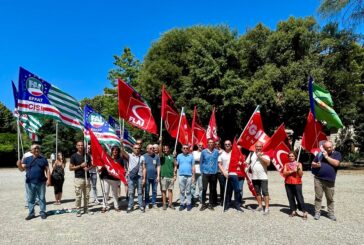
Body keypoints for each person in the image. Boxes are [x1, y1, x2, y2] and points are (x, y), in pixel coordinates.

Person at [311, 141, 342, 221]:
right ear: (324, 148)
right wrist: (315, 165)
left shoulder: (337, 154)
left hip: (330, 180)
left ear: (332, 147)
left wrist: (327, 157)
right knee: (318, 197)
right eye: (326, 148)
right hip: (318, 179)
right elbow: (313, 163)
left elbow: (336, 164)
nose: (328, 149)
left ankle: (331, 213)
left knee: (330, 198)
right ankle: (317, 212)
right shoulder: (320, 154)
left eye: (330, 147)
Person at [20, 144, 51, 220]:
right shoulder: (27, 159)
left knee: (42, 198)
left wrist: (49, 180)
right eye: (35, 148)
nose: (36, 150)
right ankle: (31, 213)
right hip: (30, 182)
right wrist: (18, 165)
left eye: (38, 148)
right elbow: (22, 169)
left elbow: (47, 170)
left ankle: (43, 212)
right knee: (31, 199)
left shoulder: (43, 159)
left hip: (41, 182)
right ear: (31, 150)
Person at [218, 140, 244, 212]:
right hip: (225, 174)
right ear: (224, 145)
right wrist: (224, 172)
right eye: (226, 144)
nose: (227, 145)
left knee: (237, 190)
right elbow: (219, 164)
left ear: (231, 145)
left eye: (228, 144)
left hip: (234, 173)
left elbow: (240, 160)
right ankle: (226, 204)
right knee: (227, 190)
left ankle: (237, 205)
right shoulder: (221, 154)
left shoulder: (235, 153)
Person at [246, 142, 271, 215]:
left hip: (263, 177)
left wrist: (260, 157)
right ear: (255, 147)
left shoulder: (265, 153)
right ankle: (260, 206)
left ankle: (267, 208)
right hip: (254, 177)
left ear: (262, 147)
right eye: (257, 146)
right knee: (257, 192)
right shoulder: (251, 154)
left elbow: (268, 163)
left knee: (265, 192)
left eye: (260, 146)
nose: (258, 148)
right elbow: (247, 163)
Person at [69, 141, 92, 217]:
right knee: (78, 196)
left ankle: (86, 209)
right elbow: (70, 168)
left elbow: (91, 165)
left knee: (87, 195)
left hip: (87, 178)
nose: (80, 147)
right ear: (76, 146)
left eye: (82, 145)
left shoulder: (87, 155)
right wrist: (80, 166)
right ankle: (78, 210)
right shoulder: (74, 156)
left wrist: (88, 169)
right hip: (78, 178)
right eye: (79, 145)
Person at [121, 144, 146, 213]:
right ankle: (130, 206)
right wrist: (121, 144)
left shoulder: (142, 157)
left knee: (140, 192)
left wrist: (144, 178)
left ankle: (141, 205)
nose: (137, 149)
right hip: (131, 177)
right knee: (131, 192)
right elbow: (122, 152)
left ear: (140, 149)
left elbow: (144, 168)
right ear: (133, 149)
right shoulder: (130, 156)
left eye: (138, 148)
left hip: (139, 176)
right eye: (135, 148)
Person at [283, 151, 307, 220]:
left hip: (297, 183)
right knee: (290, 197)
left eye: (292, 156)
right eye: (289, 156)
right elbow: (284, 173)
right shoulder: (286, 164)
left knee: (299, 198)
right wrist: (292, 171)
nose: (291, 157)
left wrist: (298, 169)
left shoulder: (299, 164)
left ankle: (304, 212)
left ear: (295, 156)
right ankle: (293, 210)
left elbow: (301, 174)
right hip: (288, 183)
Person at [99, 145, 122, 212]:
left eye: (116, 150)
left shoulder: (120, 159)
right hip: (106, 177)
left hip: (115, 178)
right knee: (105, 192)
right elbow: (103, 165)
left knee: (115, 193)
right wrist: (102, 169)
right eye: (113, 150)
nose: (115, 151)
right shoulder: (107, 158)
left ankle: (116, 206)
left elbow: (121, 169)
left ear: (118, 151)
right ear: (111, 151)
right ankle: (104, 206)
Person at [199, 138, 219, 211]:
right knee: (204, 189)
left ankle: (210, 203)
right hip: (205, 173)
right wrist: (202, 171)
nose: (211, 143)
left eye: (212, 142)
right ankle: (203, 204)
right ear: (207, 143)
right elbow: (201, 162)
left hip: (214, 173)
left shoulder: (217, 152)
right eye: (209, 142)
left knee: (212, 189)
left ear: (214, 143)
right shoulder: (204, 152)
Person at [175, 144, 195, 211]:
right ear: (182, 149)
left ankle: (189, 204)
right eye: (184, 148)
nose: (185, 149)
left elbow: (193, 166)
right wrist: (174, 157)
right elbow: (176, 164)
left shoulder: (191, 156)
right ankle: (182, 204)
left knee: (188, 191)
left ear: (188, 149)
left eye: (187, 148)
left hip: (189, 175)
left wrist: (193, 176)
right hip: (181, 175)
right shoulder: (179, 156)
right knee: (182, 191)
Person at [159, 142, 177, 210]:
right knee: (163, 191)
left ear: (169, 149)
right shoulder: (162, 156)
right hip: (163, 176)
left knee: (170, 190)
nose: (165, 150)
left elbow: (175, 165)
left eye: (166, 148)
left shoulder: (172, 156)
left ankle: (170, 204)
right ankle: (164, 204)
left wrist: (175, 175)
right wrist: (160, 143)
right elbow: (160, 151)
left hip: (171, 176)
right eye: (164, 149)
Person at [143, 144, 161, 209]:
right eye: (150, 148)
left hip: (155, 177)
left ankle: (154, 203)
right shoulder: (144, 156)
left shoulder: (157, 157)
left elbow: (158, 166)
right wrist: (143, 178)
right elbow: (143, 167)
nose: (152, 149)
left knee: (154, 191)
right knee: (147, 191)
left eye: (153, 148)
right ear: (147, 149)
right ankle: (147, 203)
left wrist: (158, 176)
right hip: (147, 177)